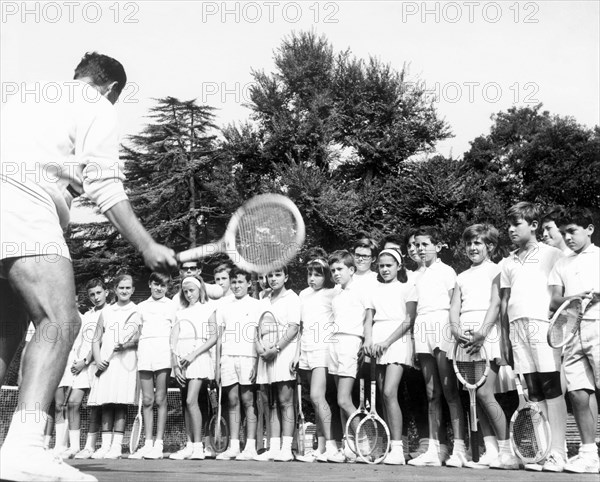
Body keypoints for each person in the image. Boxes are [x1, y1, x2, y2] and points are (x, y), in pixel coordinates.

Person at [0, 52, 176, 482]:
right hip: (22, 204)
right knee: (61, 321)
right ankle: (24, 448)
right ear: (112, 88)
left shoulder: (28, 97)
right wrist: (147, 245)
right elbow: (103, 183)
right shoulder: (97, 105)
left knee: (5, 328)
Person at [497, 202, 566, 472]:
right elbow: (504, 304)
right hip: (517, 328)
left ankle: (558, 453)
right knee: (532, 391)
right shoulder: (507, 262)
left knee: (551, 387)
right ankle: (541, 451)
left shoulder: (553, 253)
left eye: (517, 224)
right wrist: (504, 342)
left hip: (544, 326)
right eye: (509, 225)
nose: (511, 229)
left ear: (534, 225)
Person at [451, 225, 520, 470]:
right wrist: (457, 330)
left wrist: (482, 333)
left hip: (486, 335)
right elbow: (454, 309)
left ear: (489, 246)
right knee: (475, 398)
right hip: (465, 339)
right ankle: (491, 451)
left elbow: (495, 304)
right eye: (469, 243)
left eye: (478, 243)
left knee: (483, 393)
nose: (472, 248)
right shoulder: (461, 276)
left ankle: (506, 451)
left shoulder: (497, 270)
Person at [548, 207, 599, 474]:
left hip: (598, 329)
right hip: (570, 330)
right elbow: (555, 299)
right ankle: (589, 453)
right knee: (578, 393)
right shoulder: (561, 263)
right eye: (564, 232)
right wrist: (575, 297)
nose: (568, 237)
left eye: (573, 231)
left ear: (589, 229)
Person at [408, 227, 460, 468]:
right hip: (422, 327)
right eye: (417, 245)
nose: (420, 249)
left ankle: (459, 447)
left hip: (442, 325)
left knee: (449, 391)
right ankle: (435, 448)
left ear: (438, 247)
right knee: (432, 393)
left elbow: (454, 303)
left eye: (425, 244)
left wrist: (453, 329)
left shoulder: (447, 271)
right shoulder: (416, 276)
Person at [363, 248, 416, 465]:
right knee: (383, 397)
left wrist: (387, 342)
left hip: (397, 342)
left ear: (399, 266)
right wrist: (368, 340)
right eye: (382, 266)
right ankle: (390, 446)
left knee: (388, 392)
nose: (385, 269)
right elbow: (368, 319)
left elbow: (408, 320)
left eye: (389, 265)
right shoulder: (373, 290)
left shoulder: (407, 288)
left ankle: (398, 448)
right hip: (377, 342)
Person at [381, 233, 430, 459]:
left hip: (417, 340)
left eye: (413, 246)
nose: (412, 249)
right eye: (409, 246)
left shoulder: (419, 276)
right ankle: (399, 445)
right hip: (394, 344)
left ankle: (426, 443)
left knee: (419, 393)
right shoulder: (390, 279)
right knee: (393, 394)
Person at [88, 273, 141, 460]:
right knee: (106, 403)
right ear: (115, 290)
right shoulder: (107, 311)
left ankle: (116, 447)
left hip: (126, 363)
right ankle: (105, 445)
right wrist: (97, 358)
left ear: (133, 290)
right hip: (106, 363)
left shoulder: (137, 311)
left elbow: (139, 338)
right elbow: (95, 338)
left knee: (120, 404)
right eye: (121, 288)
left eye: (128, 288)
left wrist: (127, 345)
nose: (124, 291)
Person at [253, 266, 300, 462]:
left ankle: (287, 448)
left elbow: (293, 328)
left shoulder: (292, 298)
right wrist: (260, 349)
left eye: (277, 275)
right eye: (270, 275)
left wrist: (276, 349)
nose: (273, 279)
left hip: (283, 351)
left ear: (286, 277)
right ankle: (274, 447)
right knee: (270, 402)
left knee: (285, 400)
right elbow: (255, 330)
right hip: (265, 354)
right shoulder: (262, 301)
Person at [293, 257, 337, 463]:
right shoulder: (303, 294)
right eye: (309, 274)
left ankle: (332, 446)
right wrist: (296, 354)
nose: (312, 278)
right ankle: (320, 448)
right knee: (315, 400)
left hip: (323, 349)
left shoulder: (333, 292)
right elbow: (300, 327)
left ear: (326, 275)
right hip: (306, 351)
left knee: (318, 397)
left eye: (317, 274)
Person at [326, 250, 368, 463]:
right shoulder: (336, 293)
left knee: (344, 399)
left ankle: (364, 443)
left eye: (340, 269)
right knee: (341, 401)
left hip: (350, 342)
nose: (335, 273)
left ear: (352, 270)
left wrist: (365, 340)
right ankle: (348, 447)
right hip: (334, 342)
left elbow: (369, 316)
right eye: (332, 270)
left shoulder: (361, 289)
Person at [169, 275, 218, 460]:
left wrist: (193, 355)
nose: (189, 294)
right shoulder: (180, 313)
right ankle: (189, 445)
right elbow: (173, 340)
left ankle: (199, 446)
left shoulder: (209, 308)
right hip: (182, 362)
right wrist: (176, 363)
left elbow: (213, 338)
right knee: (186, 404)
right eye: (186, 291)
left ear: (200, 290)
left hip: (198, 359)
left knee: (191, 401)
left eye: (192, 290)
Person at [215, 268, 261, 461]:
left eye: (240, 282)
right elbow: (219, 337)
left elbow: (260, 336)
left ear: (249, 284)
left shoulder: (258, 305)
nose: (236, 286)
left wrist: (257, 363)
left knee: (248, 400)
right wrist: (217, 364)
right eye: (233, 282)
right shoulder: (223, 305)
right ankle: (234, 445)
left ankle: (250, 446)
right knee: (232, 401)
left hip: (248, 358)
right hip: (228, 358)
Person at [129, 272, 176, 460]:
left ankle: (159, 443)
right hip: (145, 354)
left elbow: (174, 333)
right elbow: (138, 334)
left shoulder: (172, 306)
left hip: (163, 354)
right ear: (150, 284)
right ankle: (148, 443)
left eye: (163, 285)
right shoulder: (141, 307)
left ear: (167, 287)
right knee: (147, 400)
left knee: (160, 398)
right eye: (156, 284)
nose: (159, 288)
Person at [73, 279, 110, 459]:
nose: (96, 297)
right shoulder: (87, 315)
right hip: (82, 365)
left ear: (106, 292)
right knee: (73, 402)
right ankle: (72, 447)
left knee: (95, 406)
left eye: (99, 293)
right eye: (92, 295)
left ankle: (90, 446)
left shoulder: (111, 312)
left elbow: (101, 340)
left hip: (98, 364)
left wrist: (87, 360)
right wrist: (78, 361)